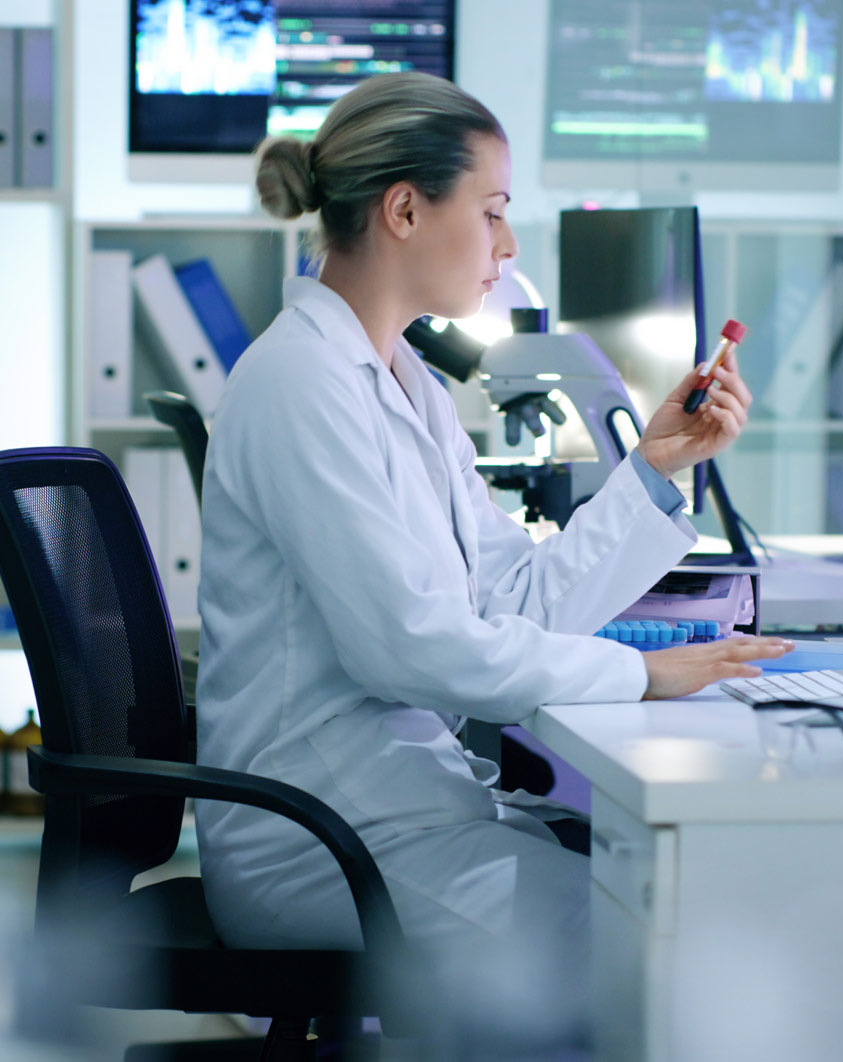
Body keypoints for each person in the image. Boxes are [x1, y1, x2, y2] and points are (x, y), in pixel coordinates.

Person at [194, 71, 792, 1052]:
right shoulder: (300, 383)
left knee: (667, 906)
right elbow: (413, 650)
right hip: (320, 843)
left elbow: (510, 595)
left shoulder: (406, 382)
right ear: (403, 209)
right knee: (663, 948)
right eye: (494, 212)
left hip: (389, 817)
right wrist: (642, 675)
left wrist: (653, 468)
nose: (508, 247)